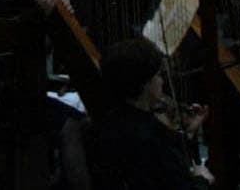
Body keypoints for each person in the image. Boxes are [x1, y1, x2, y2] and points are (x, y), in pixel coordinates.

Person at [83, 37, 206, 190]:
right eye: (159, 75)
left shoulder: (107, 123)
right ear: (145, 83)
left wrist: (188, 132)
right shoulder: (148, 138)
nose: (162, 81)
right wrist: (202, 178)